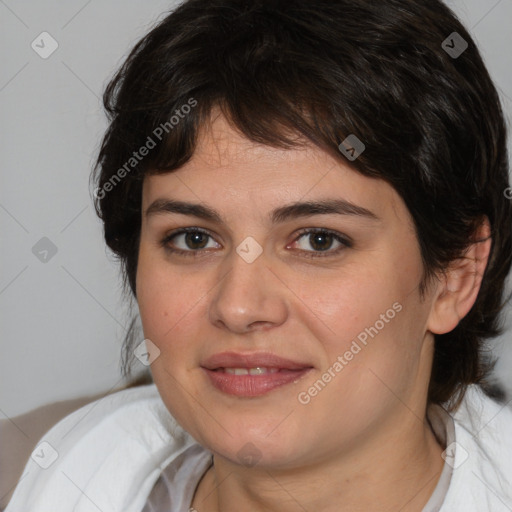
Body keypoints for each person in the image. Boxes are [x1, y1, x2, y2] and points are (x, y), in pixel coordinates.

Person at [5, 0, 512, 511]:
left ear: (455, 275)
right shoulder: (38, 472)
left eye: (318, 240)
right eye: (194, 239)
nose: (239, 307)